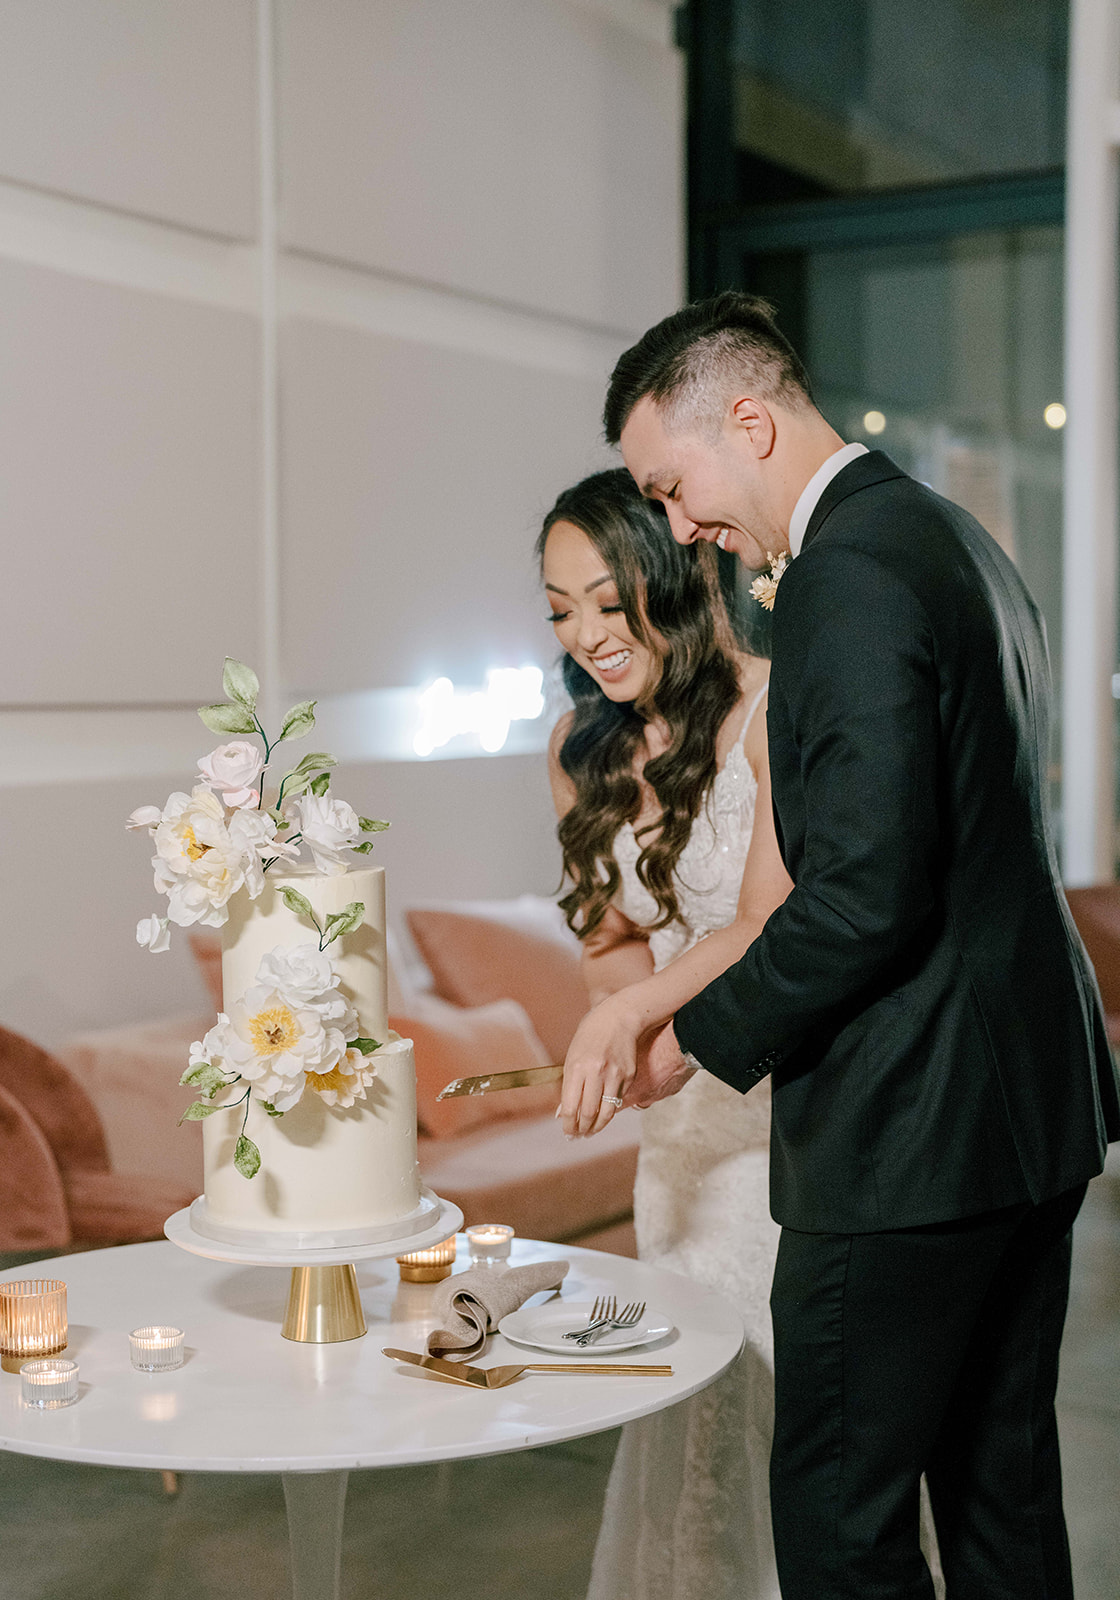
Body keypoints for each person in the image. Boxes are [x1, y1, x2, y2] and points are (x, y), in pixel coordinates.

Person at [558, 292, 1120, 1600]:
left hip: (907, 1131)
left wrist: (690, 1035)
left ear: (747, 420)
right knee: (999, 1506)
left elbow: (865, 891)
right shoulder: (954, 539)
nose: (683, 520)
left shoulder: (844, 575)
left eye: (673, 482)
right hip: (1028, 1114)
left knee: (839, 1528)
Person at [539, 466, 792, 1599]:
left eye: (606, 597)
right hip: (679, 1142)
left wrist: (640, 1010)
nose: (587, 635)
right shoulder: (579, 749)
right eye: (558, 609)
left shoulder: (775, 711)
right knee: (688, 1410)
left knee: (796, 1422)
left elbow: (767, 920)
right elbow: (608, 944)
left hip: (786, 1112)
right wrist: (629, 1029)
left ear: (682, 569)